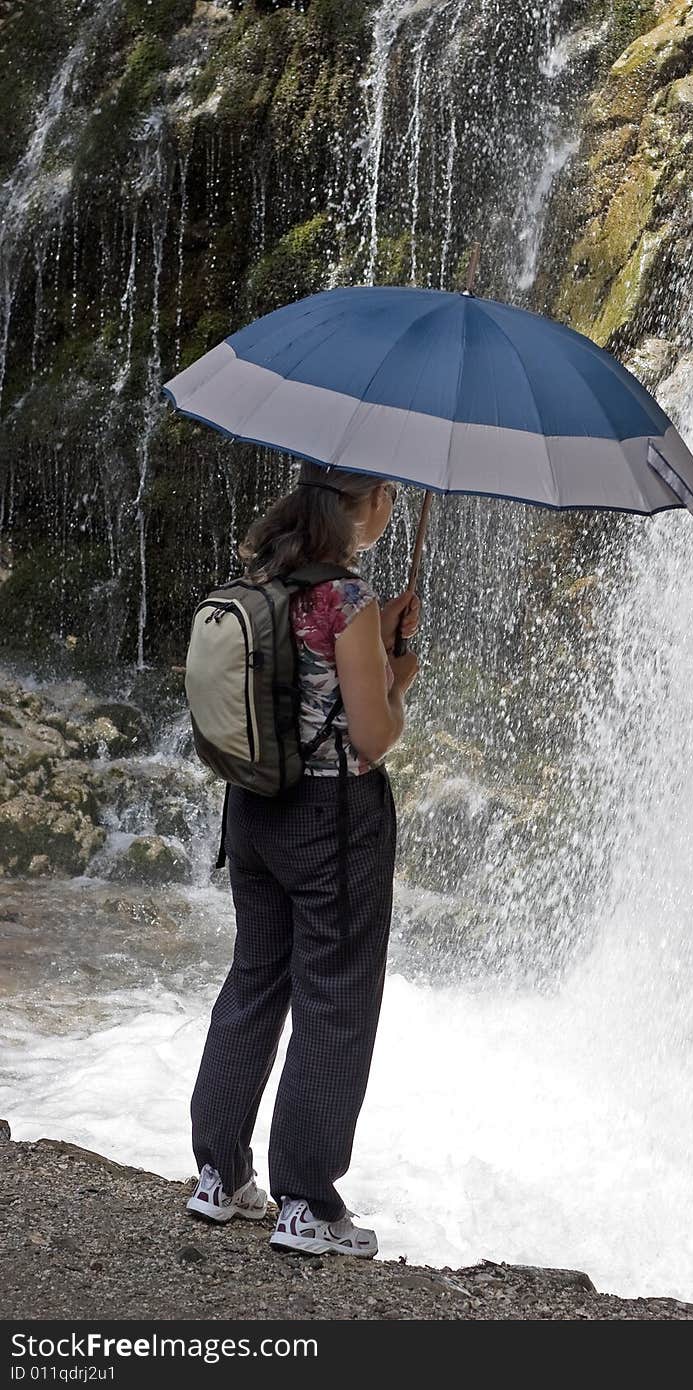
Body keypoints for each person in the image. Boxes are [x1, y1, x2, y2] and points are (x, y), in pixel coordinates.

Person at [185, 462, 420, 1258]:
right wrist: (401, 674)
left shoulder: (267, 579)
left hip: (252, 807)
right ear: (370, 505)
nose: (395, 506)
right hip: (334, 821)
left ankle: (218, 1177)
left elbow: (300, 687)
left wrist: (377, 648)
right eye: (391, 495)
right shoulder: (347, 601)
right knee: (335, 1002)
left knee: (257, 977)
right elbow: (373, 735)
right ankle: (308, 1205)